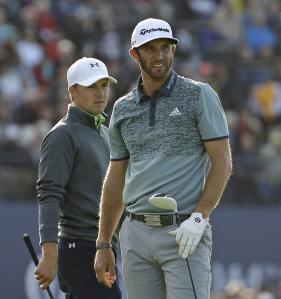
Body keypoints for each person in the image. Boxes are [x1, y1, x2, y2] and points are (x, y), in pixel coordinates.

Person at [94, 18, 233, 299]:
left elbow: (222, 162)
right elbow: (116, 178)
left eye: (165, 48)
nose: (160, 56)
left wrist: (199, 217)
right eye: (151, 49)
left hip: (182, 231)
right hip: (135, 233)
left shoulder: (199, 95)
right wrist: (104, 242)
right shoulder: (122, 109)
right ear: (135, 54)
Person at [34, 57, 122, 299]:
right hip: (79, 249)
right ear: (73, 91)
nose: (100, 93)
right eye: (92, 86)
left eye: (104, 85)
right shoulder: (62, 135)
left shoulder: (106, 133)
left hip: (104, 248)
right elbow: (49, 194)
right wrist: (49, 254)